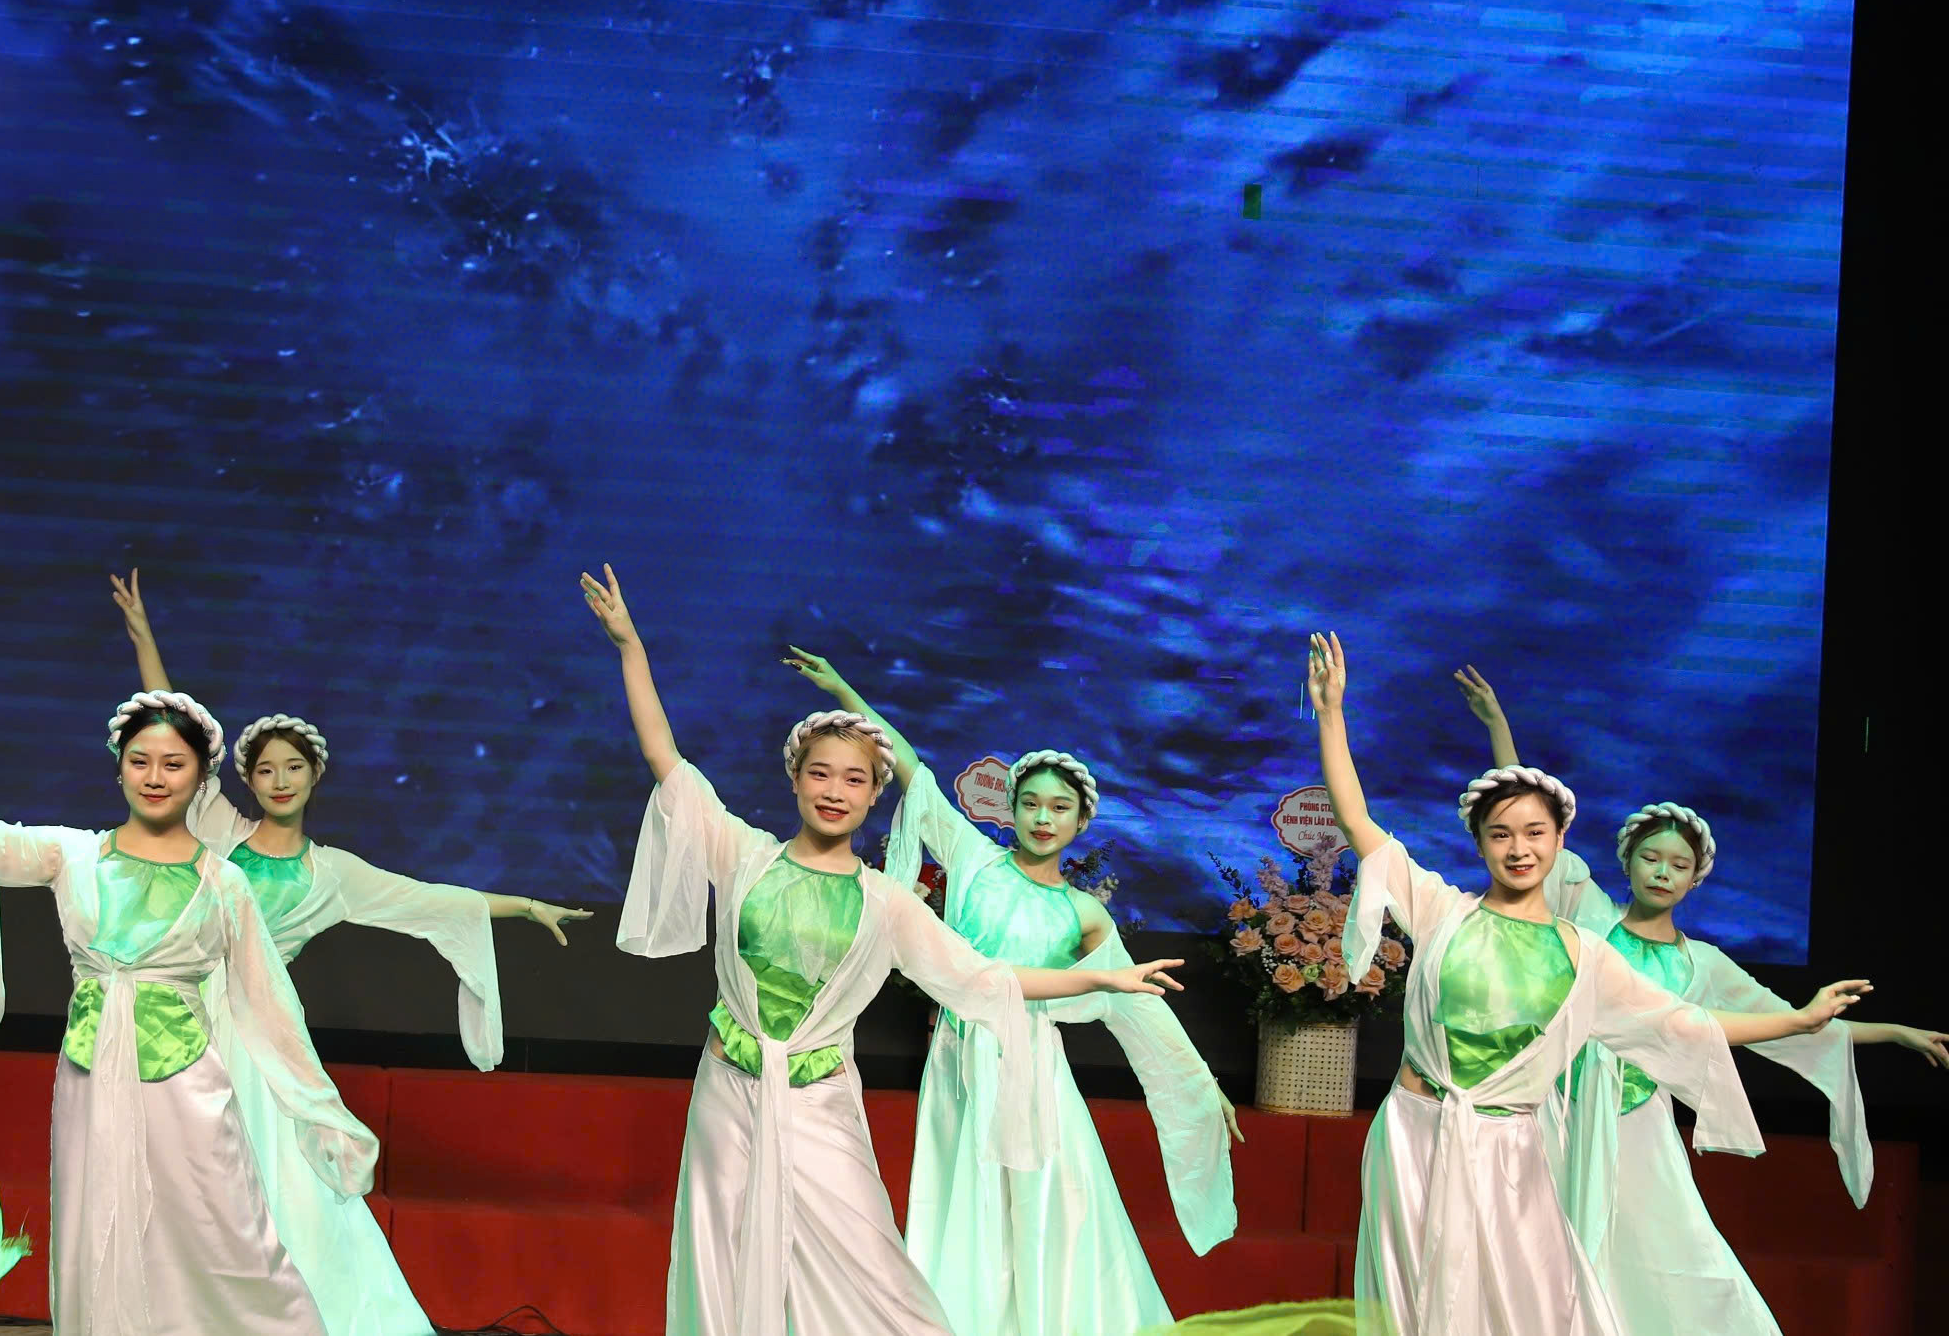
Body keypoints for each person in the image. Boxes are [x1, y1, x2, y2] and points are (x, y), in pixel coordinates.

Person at [583, 565, 1189, 1336]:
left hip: (820, 1098)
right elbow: (665, 758)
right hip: (728, 1088)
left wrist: (1101, 977)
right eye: (821, 773)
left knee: (871, 1265)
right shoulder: (745, 854)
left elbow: (983, 976)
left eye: (855, 779)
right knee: (719, 1249)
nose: (835, 790)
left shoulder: (887, 902)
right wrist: (630, 646)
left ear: (875, 794)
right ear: (797, 780)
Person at [1304, 633, 1866, 1336]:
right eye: (1501, 834)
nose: (1519, 847)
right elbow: (1358, 821)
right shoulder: (1444, 910)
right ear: (1479, 843)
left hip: (1510, 1147)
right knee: (1415, 1305)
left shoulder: (1584, 952)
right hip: (1415, 1133)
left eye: (1534, 833)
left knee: (1528, 1307)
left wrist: (1799, 1020)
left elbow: (1685, 1023)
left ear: (1559, 841)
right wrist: (1332, 713)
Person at [0, 693, 373, 1336]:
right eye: (140, 761)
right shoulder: (74, 856)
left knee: (222, 1230)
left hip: (187, 1088)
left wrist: (323, 1110)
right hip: (91, 1078)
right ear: (118, 767)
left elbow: (270, 1007)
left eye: (173, 764)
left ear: (201, 775)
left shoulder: (223, 882)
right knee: (95, 1227)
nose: (155, 777)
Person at [107, 569, 590, 1335]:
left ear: (314, 777)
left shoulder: (333, 874)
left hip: (264, 1036)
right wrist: (143, 635)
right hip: (189, 1020)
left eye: (292, 767)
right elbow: (174, 726)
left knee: (282, 1182)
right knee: (187, 1177)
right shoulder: (220, 831)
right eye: (266, 769)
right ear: (246, 779)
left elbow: (431, 899)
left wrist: (527, 905)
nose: (279, 780)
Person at [1454, 667, 1946, 1335]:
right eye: (1651, 858)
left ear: (1694, 880)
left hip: (1637, 1123)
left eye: (1678, 864)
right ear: (1628, 862)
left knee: (1672, 1250)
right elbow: (1523, 817)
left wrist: (1894, 1032)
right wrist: (1497, 725)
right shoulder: (1588, 912)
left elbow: (1788, 1025)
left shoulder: (1701, 964)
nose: (1662, 871)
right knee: (1542, 1251)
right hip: (1556, 1111)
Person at [787, 648, 1240, 1336]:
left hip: (1034, 1068)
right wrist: (847, 691)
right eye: (1030, 803)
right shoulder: (974, 861)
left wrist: (1201, 1085)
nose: (1042, 818)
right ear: (1012, 809)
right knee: (964, 1197)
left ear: (1081, 823)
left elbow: (1139, 1007)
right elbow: (912, 769)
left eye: (1059, 808)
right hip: (959, 1056)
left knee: (1051, 1201)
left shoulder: (1084, 912)